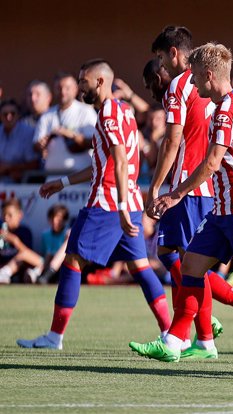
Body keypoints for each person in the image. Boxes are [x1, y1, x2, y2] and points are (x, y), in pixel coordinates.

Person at [129, 42, 233, 366]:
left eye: (194, 78)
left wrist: (174, 194)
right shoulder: (224, 107)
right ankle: (175, 341)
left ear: (208, 75)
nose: (191, 84)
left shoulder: (229, 109)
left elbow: (211, 163)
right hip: (223, 207)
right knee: (190, 266)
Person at [16, 59, 172, 350]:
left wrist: (122, 206)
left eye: (83, 81)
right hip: (128, 201)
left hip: (108, 202)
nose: (80, 87)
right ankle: (170, 334)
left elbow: (121, 161)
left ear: (100, 82)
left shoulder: (110, 111)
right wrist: (62, 183)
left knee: (73, 260)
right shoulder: (123, 111)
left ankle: (54, 337)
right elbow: (104, 163)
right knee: (140, 267)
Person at [147, 27, 233, 357]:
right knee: (181, 258)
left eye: (160, 58)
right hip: (208, 189)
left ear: (173, 54)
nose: (159, 67)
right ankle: (200, 332)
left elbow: (172, 141)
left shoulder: (181, 86)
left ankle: (206, 332)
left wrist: (158, 187)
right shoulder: (218, 98)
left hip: (187, 187)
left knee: (187, 261)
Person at [33, 72, 97, 173]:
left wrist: (71, 135)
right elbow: (36, 145)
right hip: (52, 177)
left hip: (79, 179)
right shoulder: (47, 115)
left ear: (75, 89)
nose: (63, 92)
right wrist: (42, 144)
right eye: (59, 88)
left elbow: (95, 142)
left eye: (67, 88)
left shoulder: (86, 111)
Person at [0, 199, 40, 283]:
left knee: (25, 256)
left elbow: (28, 255)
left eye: (10, 215)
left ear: (20, 215)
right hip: (3, 265)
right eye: (4, 215)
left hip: (19, 267)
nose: (6, 218)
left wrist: (15, 241)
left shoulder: (24, 231)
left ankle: (4, 273)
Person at [0, 99, 39, 183]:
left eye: (12, 114)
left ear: (18, 115)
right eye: (5, 114)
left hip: (21, 184)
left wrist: (9, 167)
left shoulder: (28, 132)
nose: (8, 117)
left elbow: (34, 163)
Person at [31, 204, 71, 284]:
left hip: (64, 266)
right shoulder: (45, 235)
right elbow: (44, 253)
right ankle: (37, 274)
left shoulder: (67, 233)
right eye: (52, 217)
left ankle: (44, 276)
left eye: (59, 218)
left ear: (65, 220)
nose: (54, 221)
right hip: (47, 265)